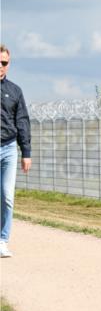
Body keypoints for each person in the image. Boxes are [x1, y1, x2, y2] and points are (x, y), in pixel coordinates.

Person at [0, 44, 32, 259]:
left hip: (9, 148)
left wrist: (26, 152)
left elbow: (22, 122)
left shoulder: (15, 91)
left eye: (4, 63)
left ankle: (2, 240)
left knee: (7, 196)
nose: (0, 66)